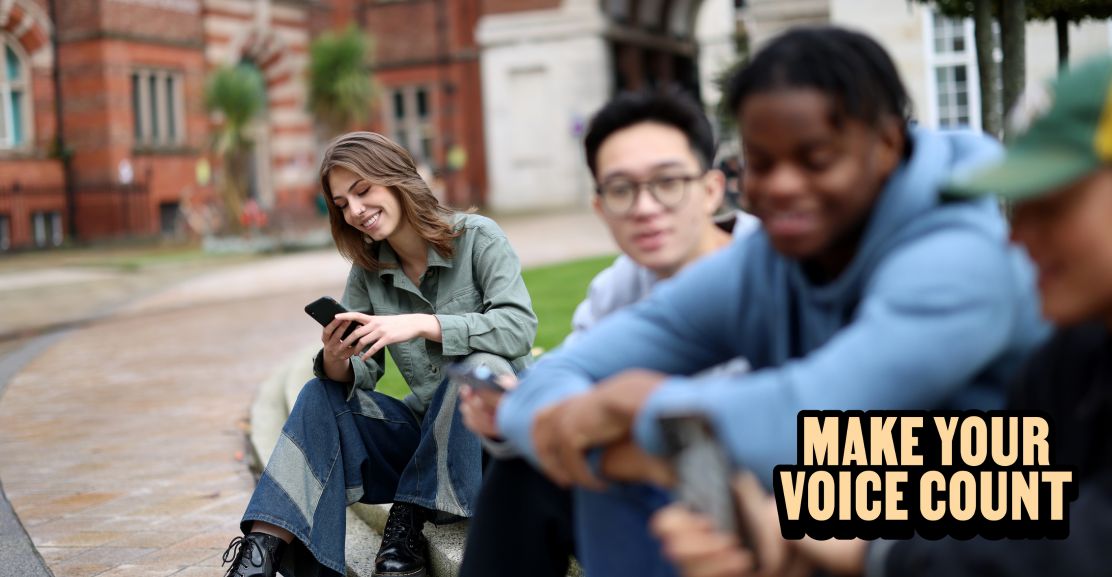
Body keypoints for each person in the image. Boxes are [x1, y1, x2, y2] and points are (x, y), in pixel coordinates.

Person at [495, 26, 1047, 577]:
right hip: (839, 504)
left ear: (886, 146)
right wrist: (583, 426)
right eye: (761, 163)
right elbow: (563, 375)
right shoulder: (768, 262)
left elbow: (806, 424)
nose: (780, 185)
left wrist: (638, 413)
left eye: (816, 158)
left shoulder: (959, 258)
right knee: (589, 467)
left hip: (1001, 514)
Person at [652, 52, 1112, 577]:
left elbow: (1082, 547)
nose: (1015, 235)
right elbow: (997, 491)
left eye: (1051, 206)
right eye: (1019, 206)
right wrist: (786, 528)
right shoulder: (1071, 357)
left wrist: (864, 548)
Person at [456, 90, 758, 577]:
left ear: (711, 189)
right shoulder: (620, 285)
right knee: (526, 469)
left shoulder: (778, 271)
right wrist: (510, 412)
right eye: (621, 189)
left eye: (668, 182)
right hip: (655, 496)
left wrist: (597, 425)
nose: (645, 207)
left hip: (775, 504)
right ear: (600, 206)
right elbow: (559, 375)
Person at [219, 132, 538, 577]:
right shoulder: (369, 271)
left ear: (397, 179)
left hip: (492, 443)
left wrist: (424, 324)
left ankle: (406, 515)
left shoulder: (479, 238)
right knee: (317, 395)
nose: (355, 210)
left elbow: (519, 327)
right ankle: (259, 555)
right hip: (426, 440)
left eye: (363, 190)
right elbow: (361, 374)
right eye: (342, 203)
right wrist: (338, 357)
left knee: (476, 368)